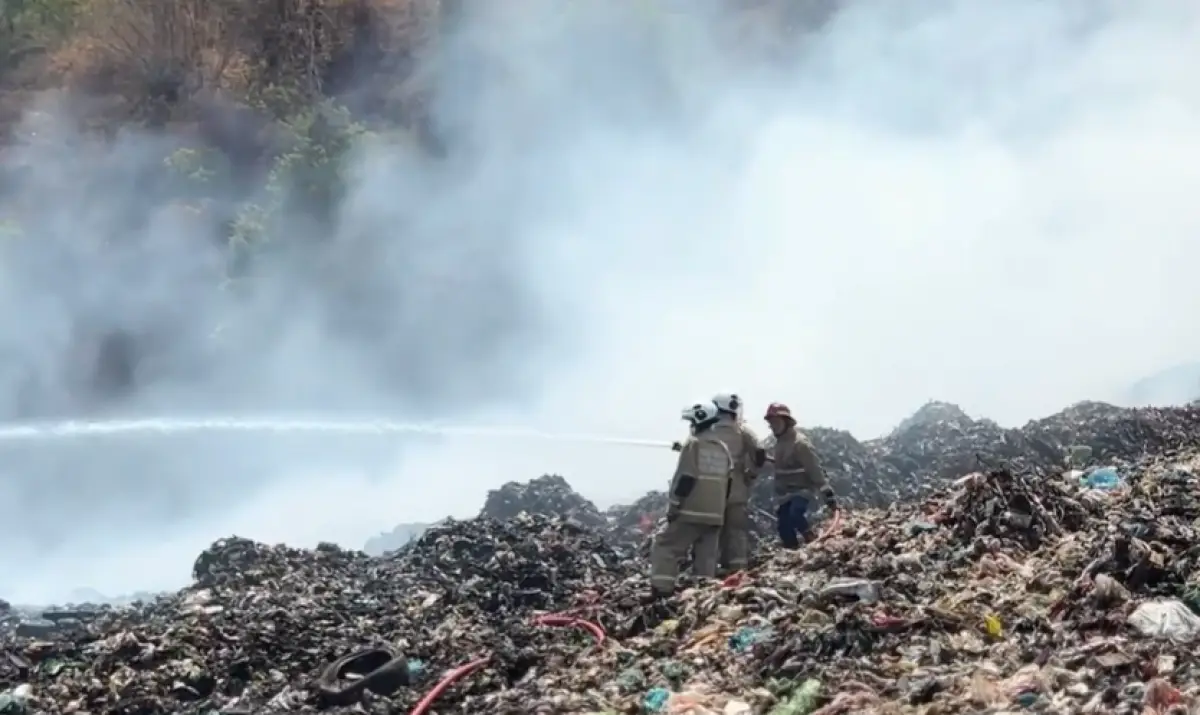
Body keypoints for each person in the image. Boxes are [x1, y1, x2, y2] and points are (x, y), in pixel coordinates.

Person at [650, 401, 733, 597]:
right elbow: (728, 482)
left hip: (691, 511)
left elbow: (686, 477)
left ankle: (662, 590)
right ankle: (704, 595)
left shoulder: (693, 444)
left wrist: (674, 506)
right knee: (707, 557)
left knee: (665, 546)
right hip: (715, 514)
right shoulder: (722, 448)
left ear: (697, 421)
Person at [764, 402, 836, 548]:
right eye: (771, 423)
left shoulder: (800, 443)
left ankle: (812, 539)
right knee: (783, 526)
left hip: (801, 490)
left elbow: (814, 467)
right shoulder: (779, 444)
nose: (772, 426)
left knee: (795, 515)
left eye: (775, 422)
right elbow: (781, 465)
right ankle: (792, 550)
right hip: (785, 493)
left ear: (786, 422)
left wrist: (825, 490)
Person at [708, 393, 766, 573]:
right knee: (736, 531)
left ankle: (708, 570)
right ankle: (737, 569)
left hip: (710, 491)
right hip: (736, 490)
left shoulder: (706, 430)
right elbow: (760, 453)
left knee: (710, 532)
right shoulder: (742, 431)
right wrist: (752, 474)